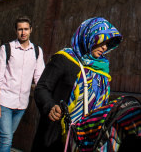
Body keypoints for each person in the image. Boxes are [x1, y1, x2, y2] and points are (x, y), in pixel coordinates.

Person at [32, 17, 122, 151]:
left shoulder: (101, 69)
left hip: (86, 139)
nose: (104, 47)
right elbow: (41, 88)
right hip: (56, 136)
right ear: (90, 37)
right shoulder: (64, 59)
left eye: (108, 44)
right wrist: (50, 106)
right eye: (102, 41)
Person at [0, 16, 45, 152]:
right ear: (16, 31)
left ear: (31, 30)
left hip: (22, 104)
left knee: (4, 137)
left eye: (26, 29)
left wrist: (44, 99)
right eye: (20, 29)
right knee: (7, 138)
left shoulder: (37, 51)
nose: (23, 32)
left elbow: (39, 78)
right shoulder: (6, 48)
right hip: (4, 101)